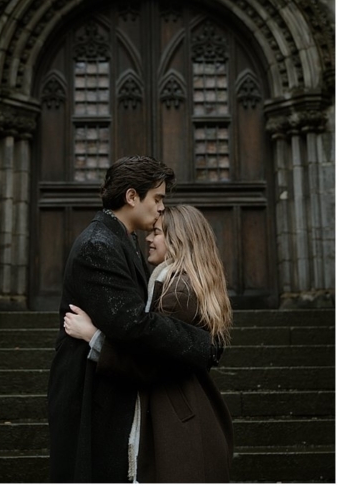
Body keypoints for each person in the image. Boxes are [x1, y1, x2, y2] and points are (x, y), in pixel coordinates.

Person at [46, 156, 221, 482]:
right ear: (131, 197)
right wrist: (202, 344)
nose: (160, 208)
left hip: (111, 382)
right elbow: (130, 324)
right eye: (157, 198)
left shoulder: (121, 241)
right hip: (88, 390)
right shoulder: (98, 244)